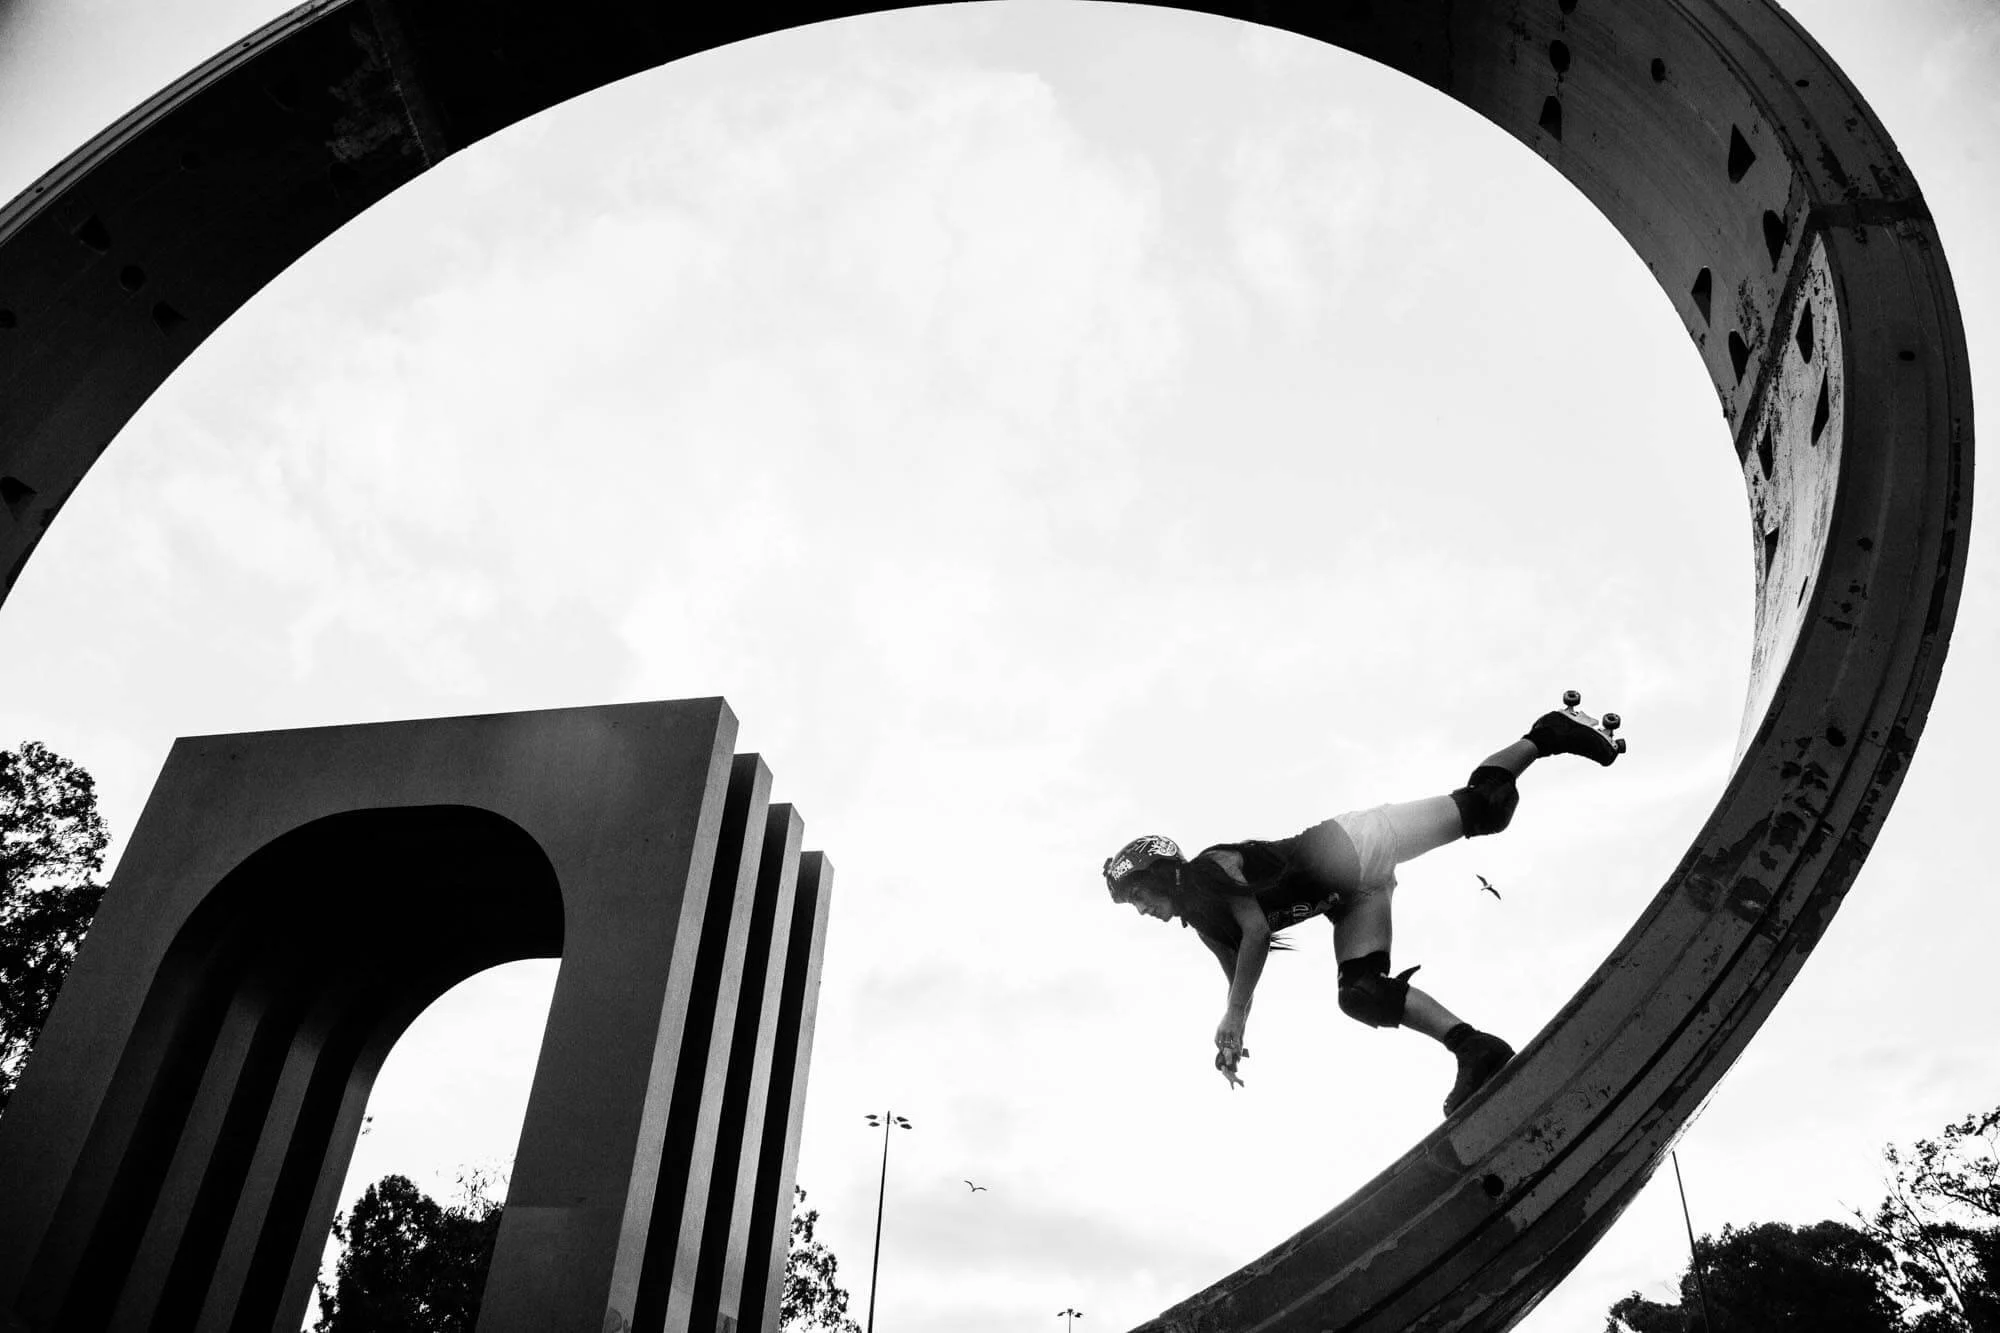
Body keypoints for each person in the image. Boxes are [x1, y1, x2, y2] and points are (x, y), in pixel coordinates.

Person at [1101, 704, 1624, 1117]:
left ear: (1159, 875)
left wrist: (1234, 1011)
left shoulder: (1207, 872)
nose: (1142, 910)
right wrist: (1232, 1036)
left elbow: (1256, 936)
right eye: (1134, 907)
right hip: (1353, 897)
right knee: (1362, 994)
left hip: (1355, 843)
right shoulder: (1205, 924)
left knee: (1486, 808)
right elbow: (1241, 974)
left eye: (1139, 897)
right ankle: (1475, 1049)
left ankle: (1547, 734)